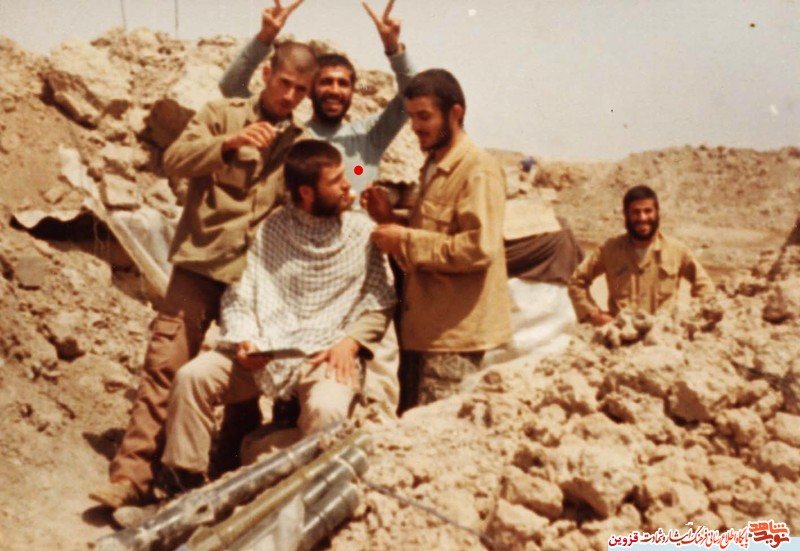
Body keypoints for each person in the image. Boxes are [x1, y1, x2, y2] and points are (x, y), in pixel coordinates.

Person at [88, 42, 318, 509]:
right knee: (165, 365)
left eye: (301, 90)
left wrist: (363, 174)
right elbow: (175, 160)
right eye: (284, 84)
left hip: (254, 281)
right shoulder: (221, 114)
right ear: (267, 74)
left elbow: (346, 166)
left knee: (242, 379)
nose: (290, 96)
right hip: (200, 265)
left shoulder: (303, 142)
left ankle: (222, 477)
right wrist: (229, 144)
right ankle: (131, 475)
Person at [159, 140, 395, 485]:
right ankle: (185, 483)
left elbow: (379, 299)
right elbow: (241, 294)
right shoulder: (270, 230)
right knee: (192, 378)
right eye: (336, 181)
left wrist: (351, 343)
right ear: (306, 193)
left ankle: (311, 493)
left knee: (327, 410)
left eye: (346, 176)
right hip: (267, 351)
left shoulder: (360, 229)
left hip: (327, 354)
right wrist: (244, 340)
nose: (348, 185)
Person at [365, 69, 512, 411]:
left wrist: (403, 239)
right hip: (425, 331)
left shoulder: (478, 170)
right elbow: (435, 233)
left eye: (424, 116)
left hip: (454, 338)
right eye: (412, 117)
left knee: (435, 425)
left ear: (455, 113)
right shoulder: (432, 164)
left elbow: (479, 248)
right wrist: (389, 219)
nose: (415, 127)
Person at [218, 0, 416, 190]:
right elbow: (231, 86)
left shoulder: (371, 135)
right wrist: (266, 36)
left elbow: (414, 92)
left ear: (353, 92)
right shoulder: (288, 134)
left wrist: (393, 48)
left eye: (343, 84)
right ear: (309, 91)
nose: (334, 90)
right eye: (326, 82)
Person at [568, 185, 715, 325]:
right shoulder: (609, 250)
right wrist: (595, 315)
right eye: (636, 212)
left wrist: (691, 318)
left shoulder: (677, 250)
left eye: (648, 211)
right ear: (625, 214)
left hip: (661, 336)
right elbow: (576, 283)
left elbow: (705, 287)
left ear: (657, 212)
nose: (642, 217)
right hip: (620, 336)